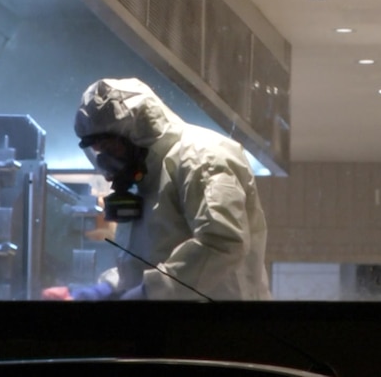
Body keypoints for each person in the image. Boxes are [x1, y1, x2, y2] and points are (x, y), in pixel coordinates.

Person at [43, 77, 272, 301]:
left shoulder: (203, 157)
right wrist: (102, 291)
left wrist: (148, 293)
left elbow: (221, 242)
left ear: (137, 131)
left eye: (108, 147)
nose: (106, 160)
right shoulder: (146, 176)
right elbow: (146, 261)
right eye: (98, 151)